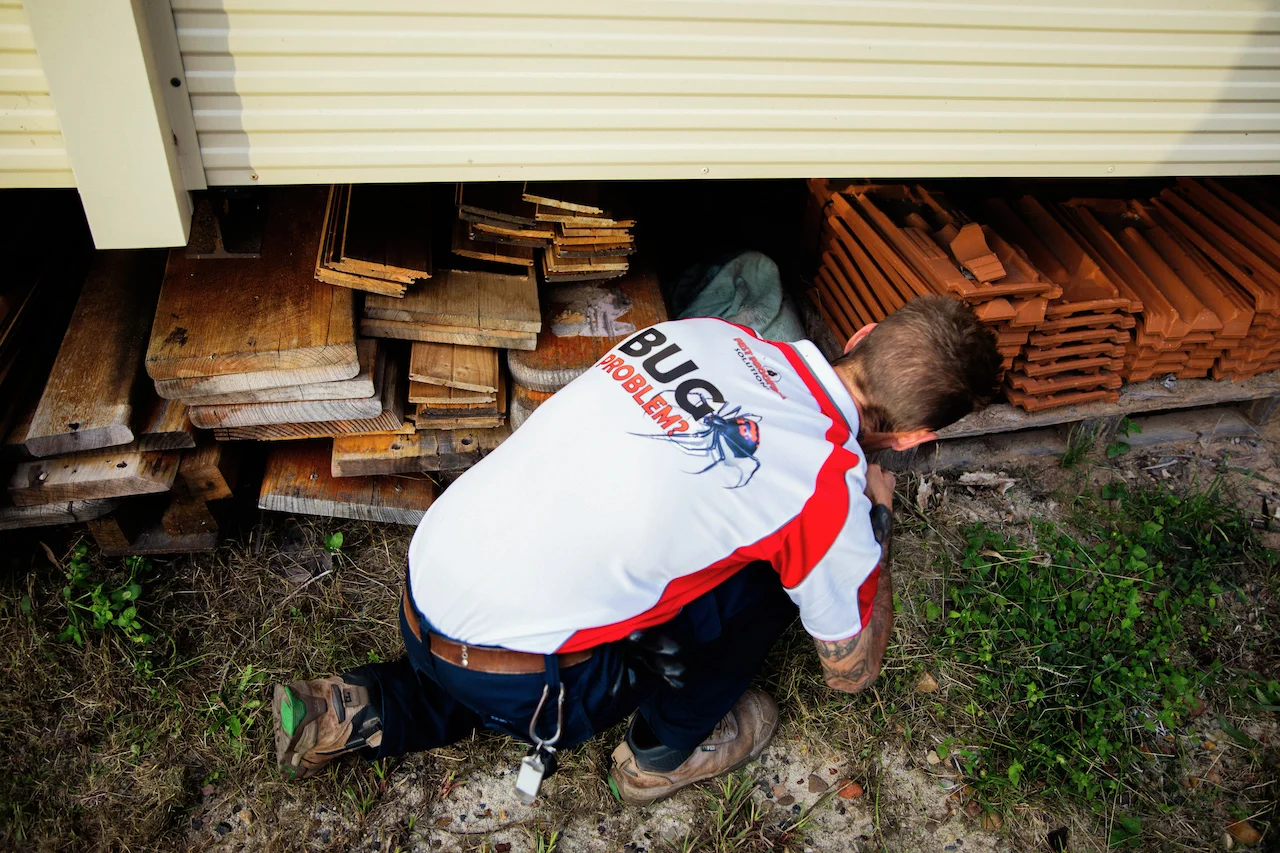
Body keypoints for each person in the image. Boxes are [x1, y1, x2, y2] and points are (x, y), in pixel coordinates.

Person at [272, 294, 1000, 805]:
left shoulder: (710, 334)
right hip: (521, 680)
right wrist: (876, 518)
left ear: (862, 332)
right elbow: (851, 670)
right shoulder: (825, 490)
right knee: (775, 585)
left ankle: (359, 705)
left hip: (426, 581)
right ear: (913, 438)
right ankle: (658, 755)